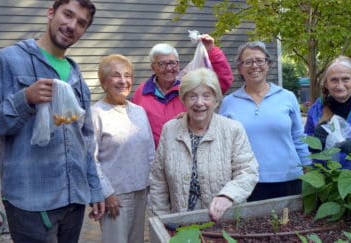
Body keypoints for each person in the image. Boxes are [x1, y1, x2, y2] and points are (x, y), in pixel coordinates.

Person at [0, 0, 105, 242]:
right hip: (30, 203)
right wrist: (24, 99)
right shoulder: (8, 60)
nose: (72, 25)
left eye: (81, 23)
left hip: (74, 201)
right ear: (51, 12)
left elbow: (86, 140)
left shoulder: (76, 75)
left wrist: (95, 189)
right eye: (68, 15)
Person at [149, 68, 259, 222]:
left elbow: (248, 171)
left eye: (206, 96)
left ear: (216, 100)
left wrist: (228, 195)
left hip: (225, 220)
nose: (199, 103)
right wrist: (164, 220)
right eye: (192, 96)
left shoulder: (233, 129)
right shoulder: (170, 129)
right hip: (181, 223)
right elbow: (158, 181)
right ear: (184, 100)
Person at [219, 41, 311, 201]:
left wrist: (308, 171)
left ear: (268, 64)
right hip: (246, 181)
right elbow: (222, 144)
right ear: (240, 68)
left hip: (289, 178)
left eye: (260, 60)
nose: (254, 66)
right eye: (248, 62)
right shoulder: (229, 103)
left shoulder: (287, 97)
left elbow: (299, 138)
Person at [91, 54, 155, 243]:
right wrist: (107, 194)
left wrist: (153, 186)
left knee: (136, 240)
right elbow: (89, 159)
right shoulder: (96, 114)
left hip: (141, 191)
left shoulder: (139, 111)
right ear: (104, 81)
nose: (123, 81)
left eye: (127, 75)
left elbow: (150, 152)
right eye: (116, 75)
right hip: (115, 196)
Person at [132, 35, 233, 146]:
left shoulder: (189, 87)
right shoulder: (141, 92)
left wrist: (211, 51)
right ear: (153, 67)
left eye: (172, 63)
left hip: (186, 154)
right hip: (153, 158)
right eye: (162, 64)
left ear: (178, 64)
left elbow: (222, 83)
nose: (169, 68)